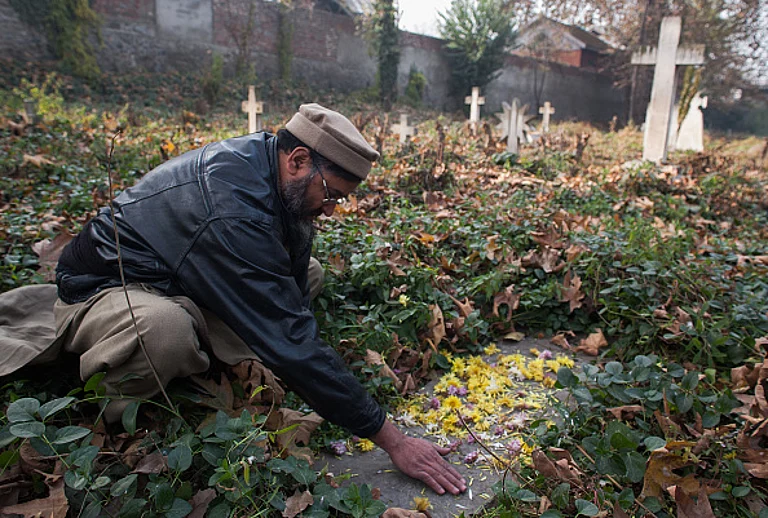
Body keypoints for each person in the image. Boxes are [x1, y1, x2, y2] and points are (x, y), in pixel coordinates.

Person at [53, 103, 467, 496]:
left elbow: (292, 314)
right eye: (332, 194)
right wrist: (391, 439)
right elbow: (291, 334)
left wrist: (296, 356)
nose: (332, 210)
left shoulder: (269, 164)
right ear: (299, 160)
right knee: (164, 331)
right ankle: (117, 400)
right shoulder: (232, 208)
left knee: (309, 273)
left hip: (177, 276)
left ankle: (202, 352)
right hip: (107, 286)